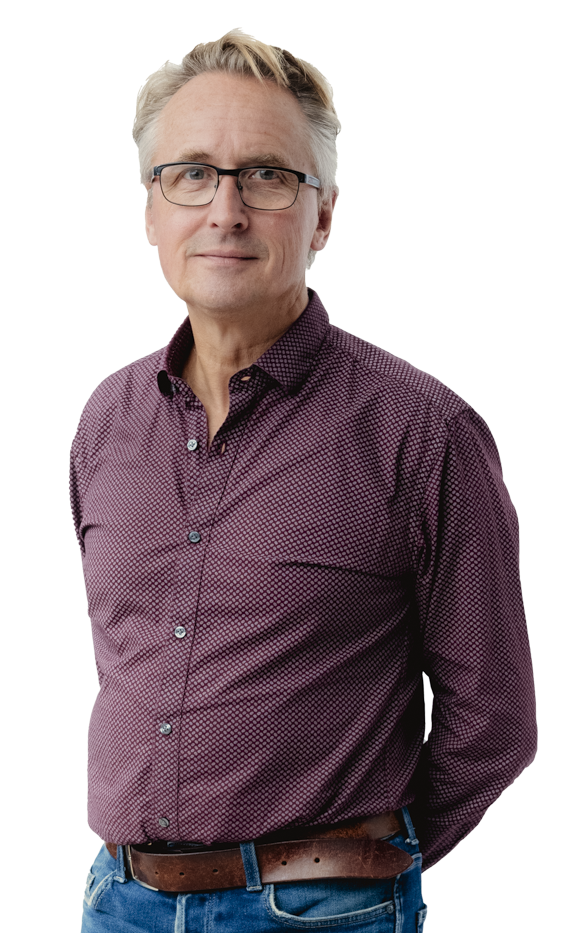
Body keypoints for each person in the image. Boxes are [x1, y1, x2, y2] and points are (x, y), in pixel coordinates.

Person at [70, 33, 537, 933]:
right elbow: (128, 664)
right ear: (152, 209)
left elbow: (495, 721)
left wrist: (362, 865)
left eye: (267, 176)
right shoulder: (106, 423)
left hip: (322, 909)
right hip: (119, 901)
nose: (226, 210)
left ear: (321, 216)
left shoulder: (422, 434)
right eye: (191, 174)